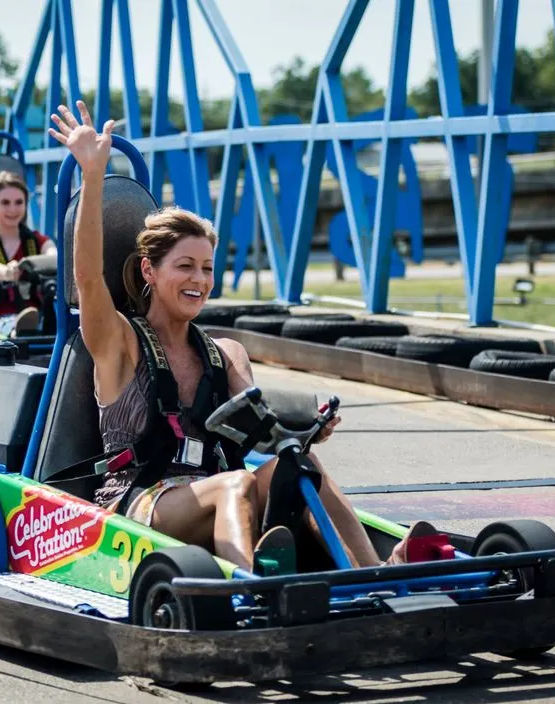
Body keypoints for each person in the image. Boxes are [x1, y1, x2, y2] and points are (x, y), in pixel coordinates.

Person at [49, 100, 430, 573]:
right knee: (235, 485)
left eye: (207, 268)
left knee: (297, 468)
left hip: (217, 487)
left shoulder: (223, 352)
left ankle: (373, 574)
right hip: (140, 501)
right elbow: (87, 280)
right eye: (185, 266)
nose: (199, 280)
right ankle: (247, 588)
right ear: (149, 269)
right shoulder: (121, 341)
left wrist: (305, 431)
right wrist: (92, 174)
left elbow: (253, 426)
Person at [0, 171, 57, 336]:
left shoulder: (38, 241)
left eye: (19, 202)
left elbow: (54, 258)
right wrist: (7, 272)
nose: (13, 209)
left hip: (38, 315)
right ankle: (17, 331)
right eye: (5, 203)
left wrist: (33, 264)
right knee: (13, 327)